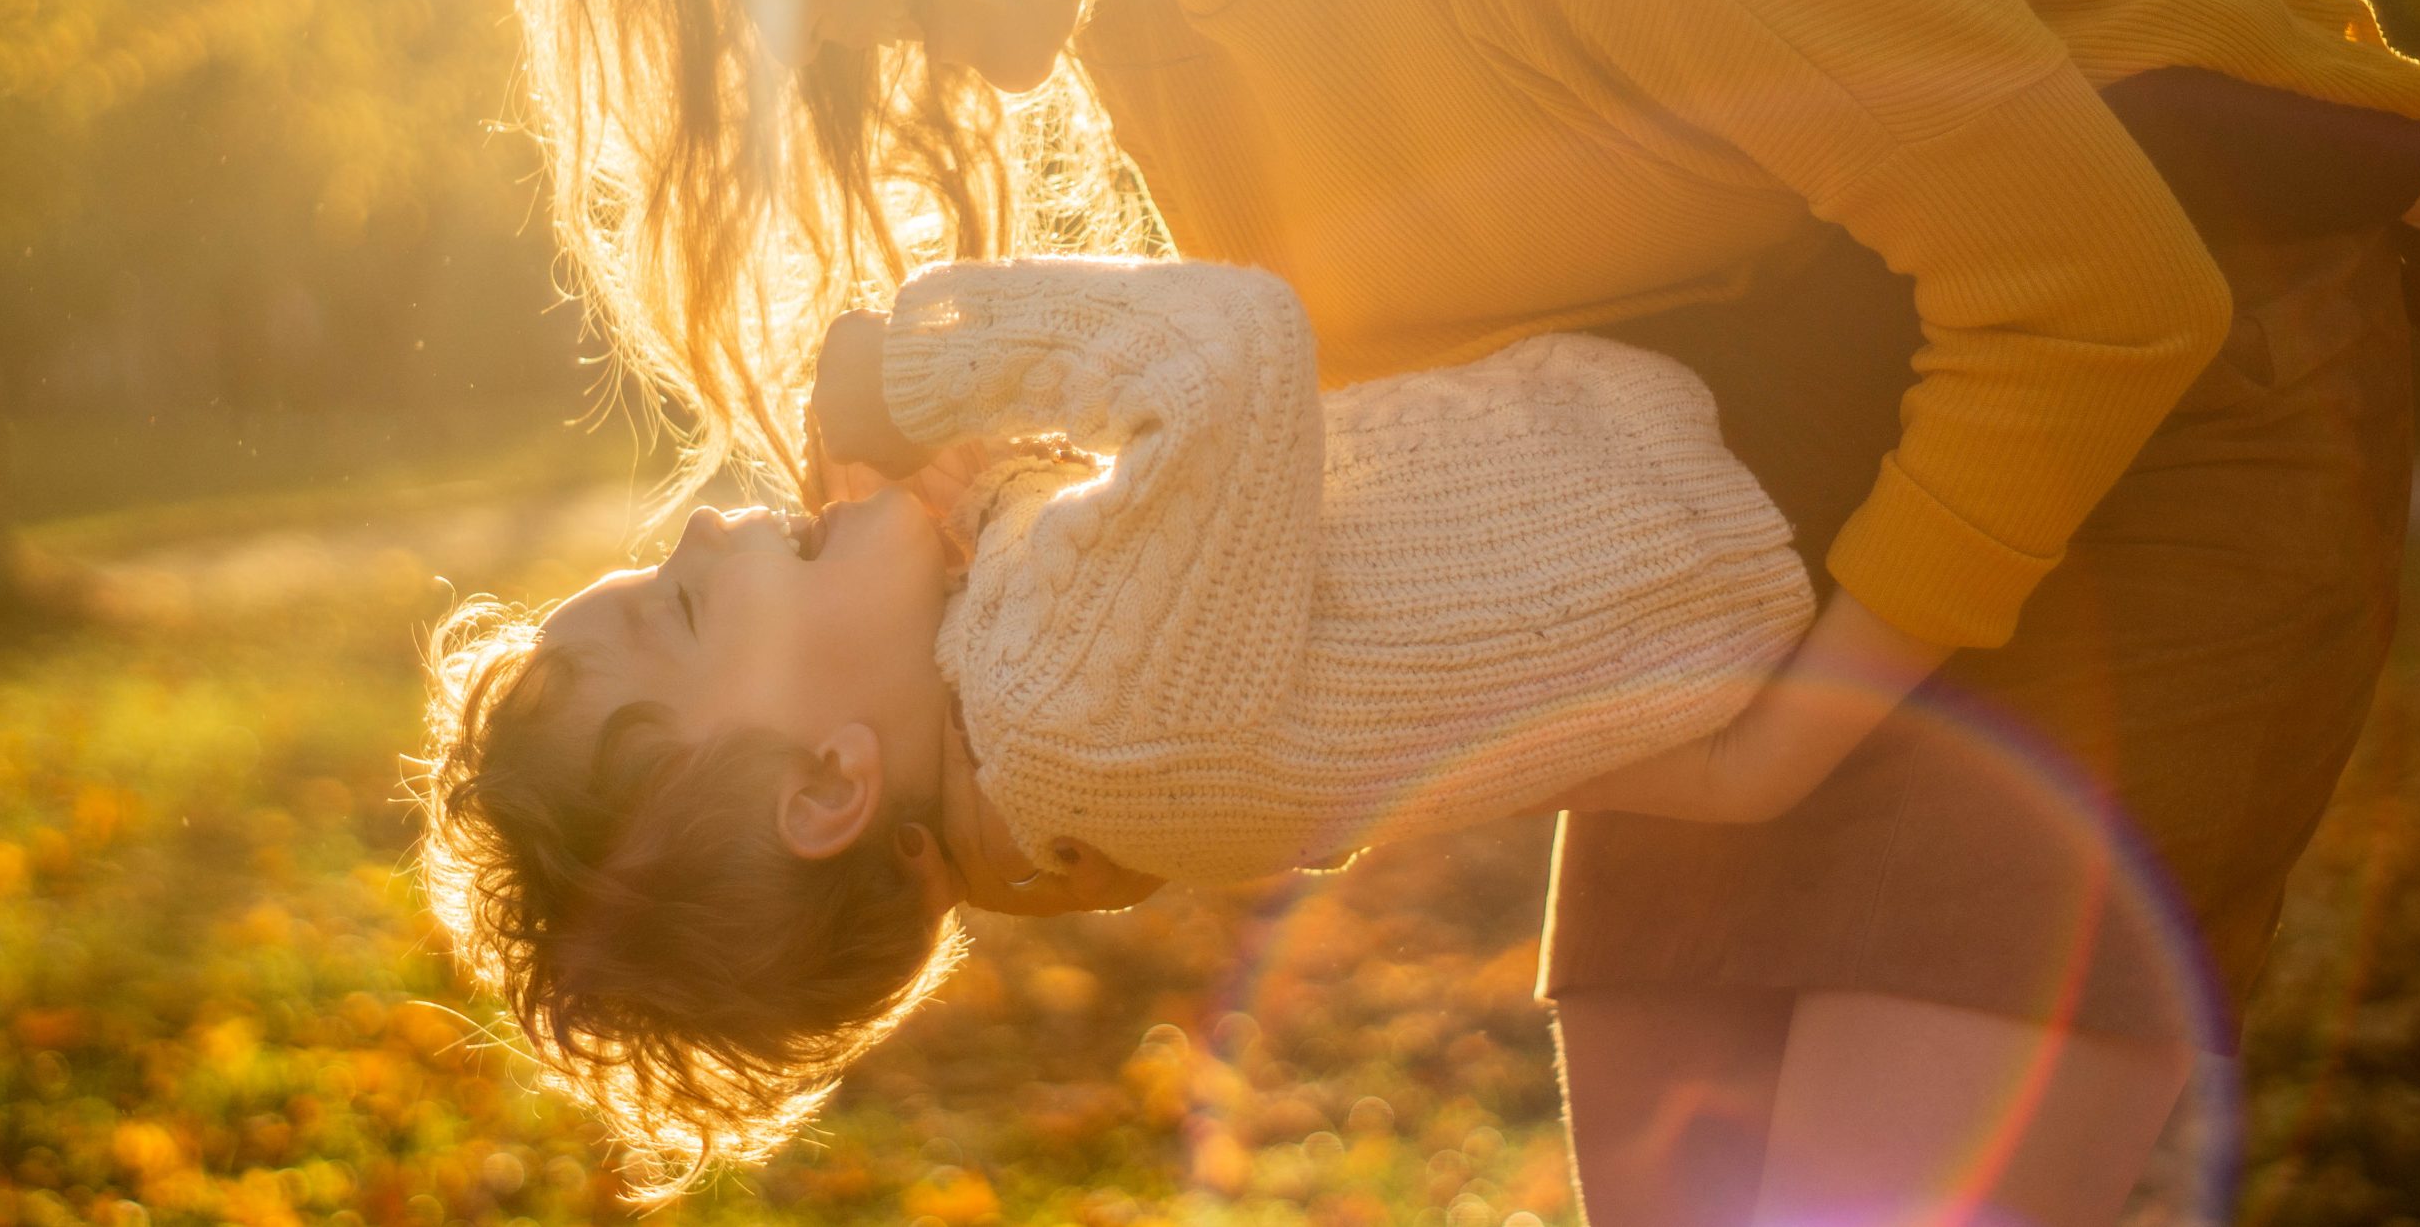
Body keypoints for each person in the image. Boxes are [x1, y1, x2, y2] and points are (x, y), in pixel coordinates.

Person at [490, 0, 2420, 1217]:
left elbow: (2086, 276)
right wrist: (999, 768)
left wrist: (1794, 735)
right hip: (1759, 502)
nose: (798, 25)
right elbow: (1355, 483)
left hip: (2150, 376)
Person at [412, 252, 1822, 1195]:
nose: (711, 523)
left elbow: (1141, 541)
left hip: (1712, 490)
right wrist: (918, 370)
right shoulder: (1071, 717)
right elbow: (1229, 355)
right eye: (687, 606)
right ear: (830, 782)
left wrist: (931, 508)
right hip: (1764, 446)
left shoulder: (1026, 745)